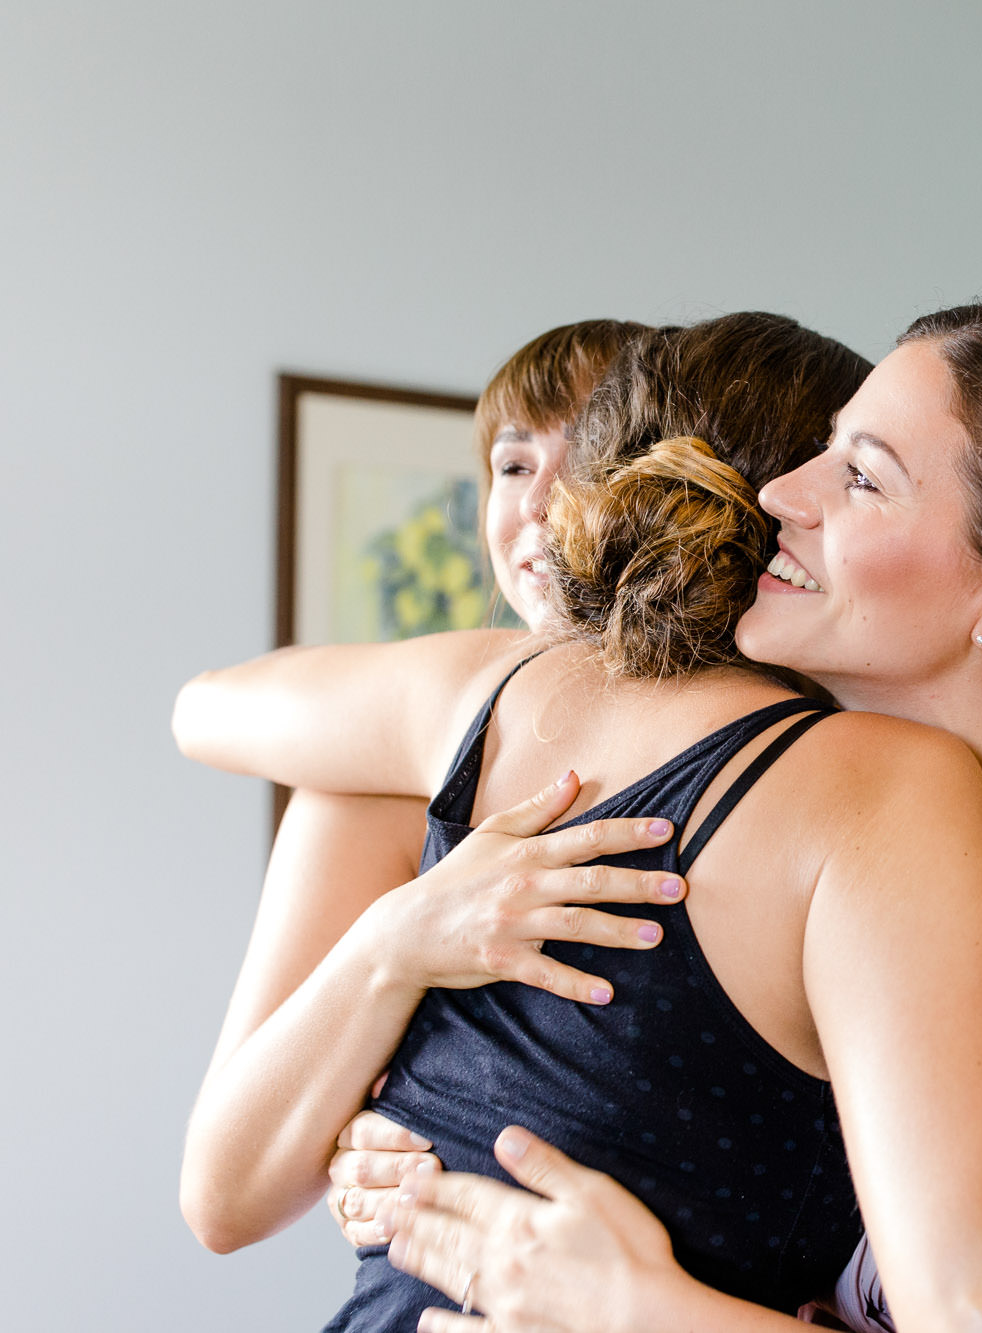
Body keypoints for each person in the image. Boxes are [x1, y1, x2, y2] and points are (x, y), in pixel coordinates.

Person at [174, 305, 982, 1331]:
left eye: (861, 476)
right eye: (821, 453)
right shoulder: (850, 788)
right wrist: (395, 988)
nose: (778, 502)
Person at [181, 318, 657, 1252]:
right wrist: (396, 942)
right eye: (513, 465)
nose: (539, 502)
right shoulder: (386, 785)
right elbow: (222, 1197)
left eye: (591, 456)